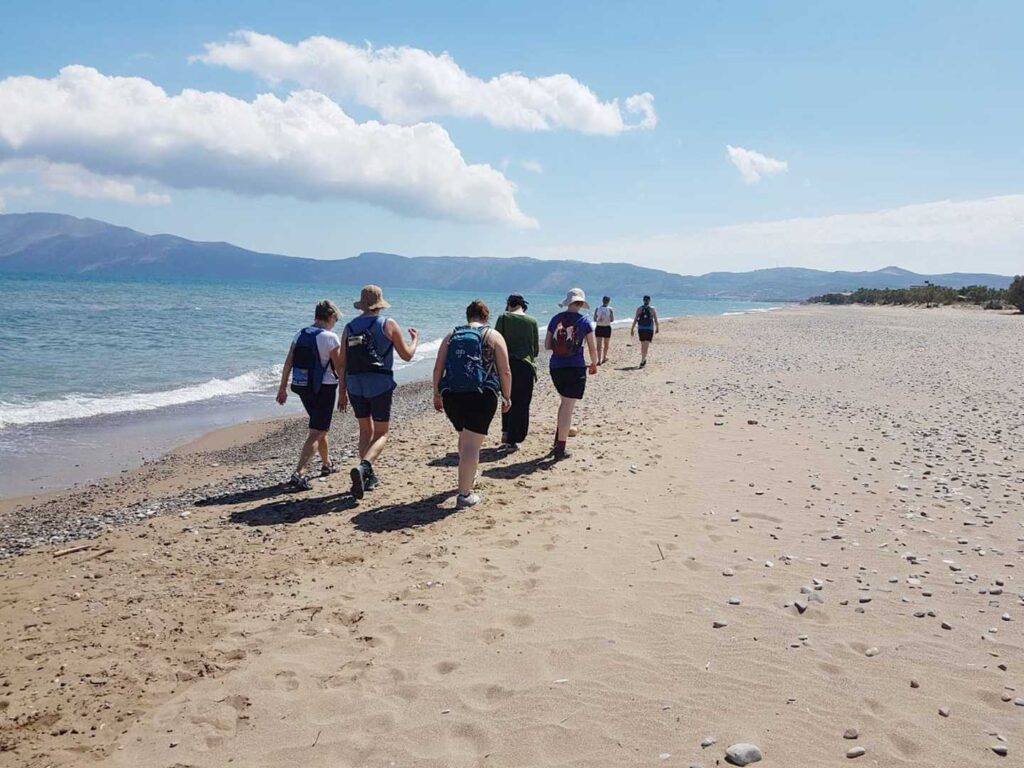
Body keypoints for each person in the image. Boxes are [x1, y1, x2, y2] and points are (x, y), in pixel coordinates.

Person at [339, 285, 419, 500]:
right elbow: (407, 355)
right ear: (379, 304)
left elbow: (342, 364)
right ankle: (365, 467)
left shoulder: (349, 327)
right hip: (379, 384)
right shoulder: (387, 324)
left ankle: (366, 476)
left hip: (355, 384)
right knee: (382, 432)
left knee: (365, 430)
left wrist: (342, 392)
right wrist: (415, 340)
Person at [433, 300, 512, 508]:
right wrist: (507, 395)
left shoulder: (451, 335)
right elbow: (505, 370)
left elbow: (438, 368)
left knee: (465, 437)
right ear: (486, 316)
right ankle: (464, 495)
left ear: (468, 316)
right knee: (472, 445)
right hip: (482, 394)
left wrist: (436, 394)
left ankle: (467, 477)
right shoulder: (493, 336)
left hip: (452, 395)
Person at [276, 299, 344, 490]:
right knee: (317, 430)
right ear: (330, 317)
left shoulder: (300, 334)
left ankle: (327, 464)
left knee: (320, 427)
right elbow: (340, 367)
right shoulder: (330, 337)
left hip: (303, 387)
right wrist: (344, 392)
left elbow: (288, 362)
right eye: (335, 319)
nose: (335, 323)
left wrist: (282, 388)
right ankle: (299, 472)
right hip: (324, 388)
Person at [546, 288, 598, 459]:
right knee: (568, 407)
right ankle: (560, 448)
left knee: (564, 403)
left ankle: (557, 439)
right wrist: (594, 363)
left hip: (556, 367)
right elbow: (591, 345)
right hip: (575, 367)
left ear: (568, 302)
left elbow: (547, 345)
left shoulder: (555, 319)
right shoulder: (585, 321)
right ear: (581, 303)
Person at [494, 293, 539, 451]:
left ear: (508, 304)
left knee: (507, 400)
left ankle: (506, 433)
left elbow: (495, 342)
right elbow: (536, 350)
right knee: (522, 404)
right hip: (526, 366)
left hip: (506, 365)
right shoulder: (532, 321)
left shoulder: (503, 318)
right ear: (523, 305)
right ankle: (516, 438)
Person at [630, 295, 660, 368]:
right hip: (649, 329)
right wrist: (657, 328)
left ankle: (643, 359)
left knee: (642, 345)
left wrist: (632, 328)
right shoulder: (652, 309)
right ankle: (643, 360)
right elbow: (655, 319)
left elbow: (635, 319)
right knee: (646, 345)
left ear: (643, 300)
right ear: (649, 300)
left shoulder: (639, 309)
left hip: (641, 328)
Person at [593, 295, 615, 365]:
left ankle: (599, 360)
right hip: (606, 327)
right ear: (609, 301)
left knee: (598, 345)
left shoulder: (597, 308)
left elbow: (594, 319)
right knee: (606, 344)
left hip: (599, 327)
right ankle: (604, 357)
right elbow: (612, 320)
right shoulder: (610, 309)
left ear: (602, 300)